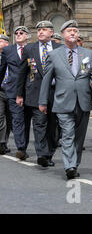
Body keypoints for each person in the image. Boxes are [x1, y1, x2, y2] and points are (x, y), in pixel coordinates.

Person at [38, 20, 92, 180]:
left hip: (83, 100)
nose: (72, 33)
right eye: (69, 31)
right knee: (67, 134)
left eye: (75, 30)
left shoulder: (87, 54)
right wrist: (43, 102)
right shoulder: (53, 55)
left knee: (79, 137)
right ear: (63, 34)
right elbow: (46, 79)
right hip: (63, 101)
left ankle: (75, 162)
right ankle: (70, 166)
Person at [16, 21, 62, 167]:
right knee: (39, 124)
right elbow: (22, 72)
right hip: (35, 92)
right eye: (39, 30)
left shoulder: (59, 48)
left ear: (51, 32)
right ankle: (42, 154)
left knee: (53, 126)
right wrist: (19, 94)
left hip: (54, 93)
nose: (40, 32)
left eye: (44, 30)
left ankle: (49, 153)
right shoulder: (30, 48)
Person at [0, 26, 33, 160]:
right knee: (17, 119)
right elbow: (2, 69)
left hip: (30, 91)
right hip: (13, 90)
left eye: (22, 33)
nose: (18, 34)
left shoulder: (33, 49)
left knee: (26, 120)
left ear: (28, 36)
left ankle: (23, 145)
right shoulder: (8, 50)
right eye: (16, 33)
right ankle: (21, 148)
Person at [0, 34, 12, 155]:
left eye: (0, 41)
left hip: (12, 90)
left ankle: (4, 141)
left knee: (9, 118)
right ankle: (1, 143)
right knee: (0, 116)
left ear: (6, 43)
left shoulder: (11, 55)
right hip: (1, 90)